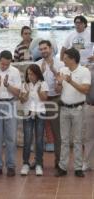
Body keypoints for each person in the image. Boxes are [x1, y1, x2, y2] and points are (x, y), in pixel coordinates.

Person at [55, 48, 91, 177]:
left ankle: (78, 168)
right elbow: (58, 90)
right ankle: (62, 167)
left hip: (78, 109)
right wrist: (59, 83)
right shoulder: (63, 70)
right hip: (64, 108)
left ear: (72, 59)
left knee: (77, 140)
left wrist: (70, 81)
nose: (63, 59)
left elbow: (85, 90)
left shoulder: (84, 71)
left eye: (65, 57)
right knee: (64, 140)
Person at [0, 50, 21, 177]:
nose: (4, 67)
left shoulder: (15, 71)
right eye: (2, 64)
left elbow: (18, 92)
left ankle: (11, 166)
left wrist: (7, 85)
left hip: (10, 104)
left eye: (7, 65)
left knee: (11, 137)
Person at [36, 40, 64, 169]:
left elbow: (61, 88)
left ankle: (59, 162)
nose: (43, 51)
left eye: (45, 48)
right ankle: (38, 162)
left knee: (57, 132)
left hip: (55, 100)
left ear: (51, 48)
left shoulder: (61, 64)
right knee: (38, 132)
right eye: (41, 49)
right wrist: (40, 74)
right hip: (41, 100)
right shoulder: (36, 65)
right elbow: (32, 85)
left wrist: (54, 71)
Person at [19, 64, 48, 176]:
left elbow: (44, 99)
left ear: (37, 74)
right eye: (28, 74)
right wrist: (25, 93)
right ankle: (25, 163)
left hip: (40, 113)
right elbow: (22, 100)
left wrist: (40, 91)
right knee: (27, 139)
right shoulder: (25, 84)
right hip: (28, 113)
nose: (30, 76)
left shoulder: (43, 83)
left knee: (39, 139)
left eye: (32, 74)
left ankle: (39, 164)